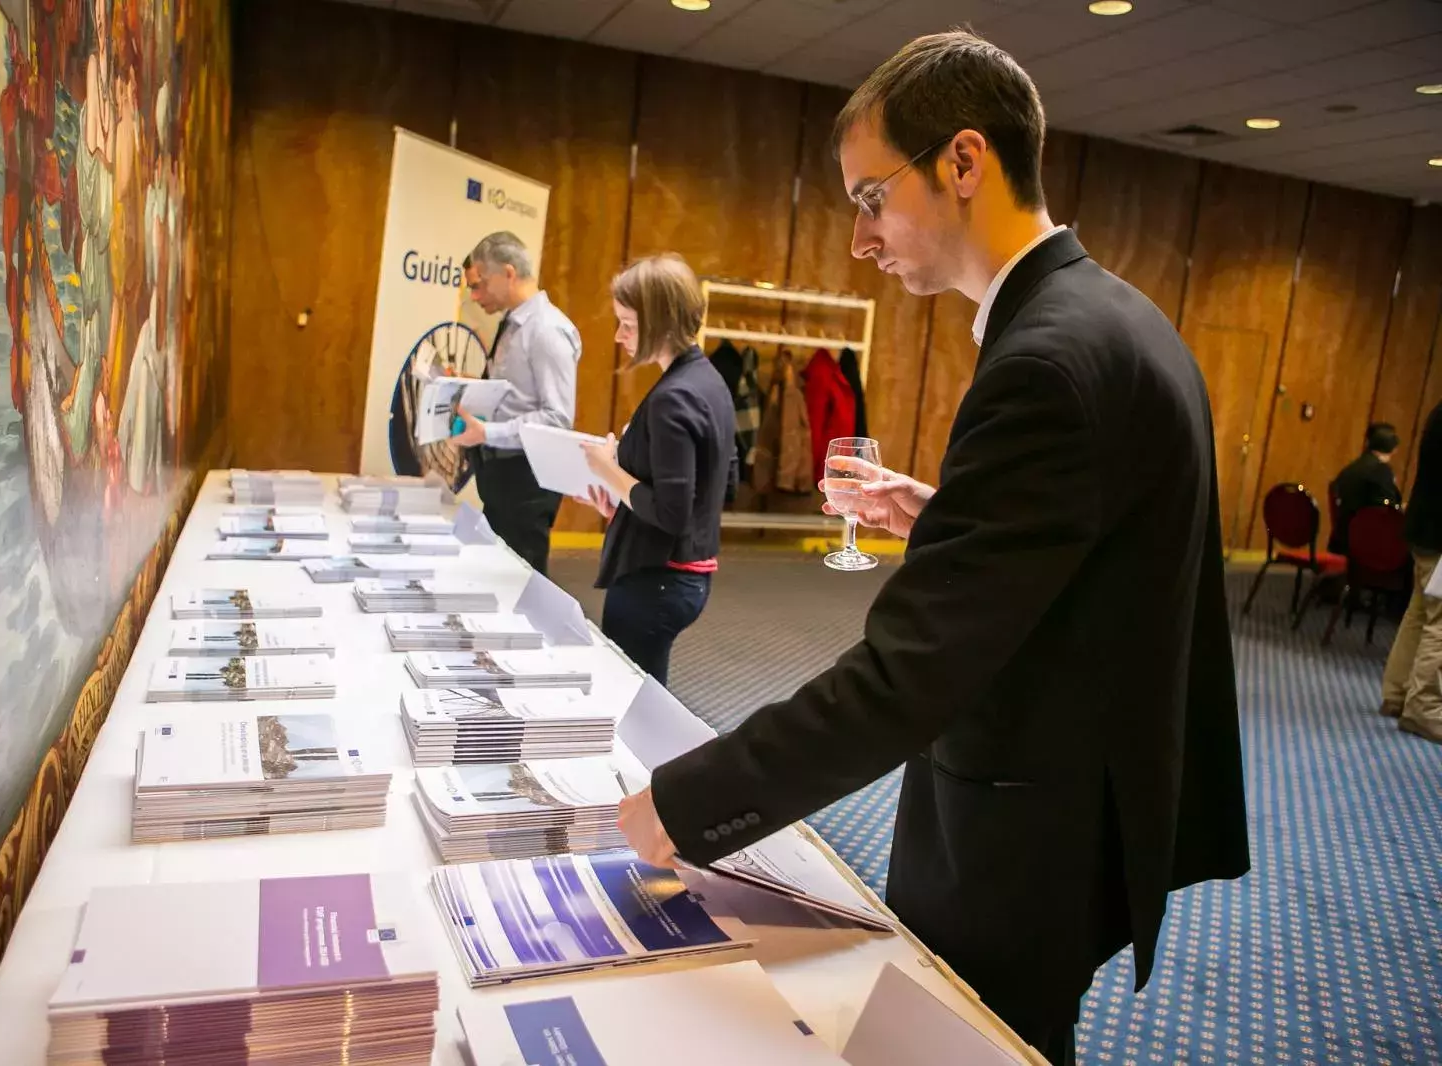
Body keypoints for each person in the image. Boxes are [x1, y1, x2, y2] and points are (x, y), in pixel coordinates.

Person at [615, 31, 1248, 1066]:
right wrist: (949, 513)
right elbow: (1099, 548)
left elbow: (906, 675)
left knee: (982, 1039)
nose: (860, 239)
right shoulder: (1117, 317)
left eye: (871, 197)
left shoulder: (1046, 360)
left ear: (962, 160)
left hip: (1022, 820)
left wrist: (685, 803)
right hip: (1088, 787)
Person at [578, 254, 736, 685]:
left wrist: (608, 470)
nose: (619, 336)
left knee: (630, 700)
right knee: (644, 698)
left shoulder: (673, 396)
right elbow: (723, 484)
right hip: (685, 576)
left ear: (660, 323)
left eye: (628, 324)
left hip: (657, 582)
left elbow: (673, 512)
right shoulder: (709, 380)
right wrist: (622, 504)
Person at [452, 231, 581, 574]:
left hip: (527, 477)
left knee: (520, 581)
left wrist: (488, 433)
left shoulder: (547, 330)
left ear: (508, 273)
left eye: (479, 284)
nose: (474, 296)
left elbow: (557, 418)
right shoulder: (514, 324)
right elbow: (514, 394)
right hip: (502, 475)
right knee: (497, 576)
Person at [1379, 401, 1442, 743]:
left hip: (1424, 529)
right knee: (1440, 623)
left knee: (1419, 613)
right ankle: (1424, 709)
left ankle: (1397, 693)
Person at [1329, 422, 1401, 555]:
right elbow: (1386, 512)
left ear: (1368, 443)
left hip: (1341, 541)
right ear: (1394, 448)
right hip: (1363, 547)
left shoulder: (1352, 468)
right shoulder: (1381, 471)